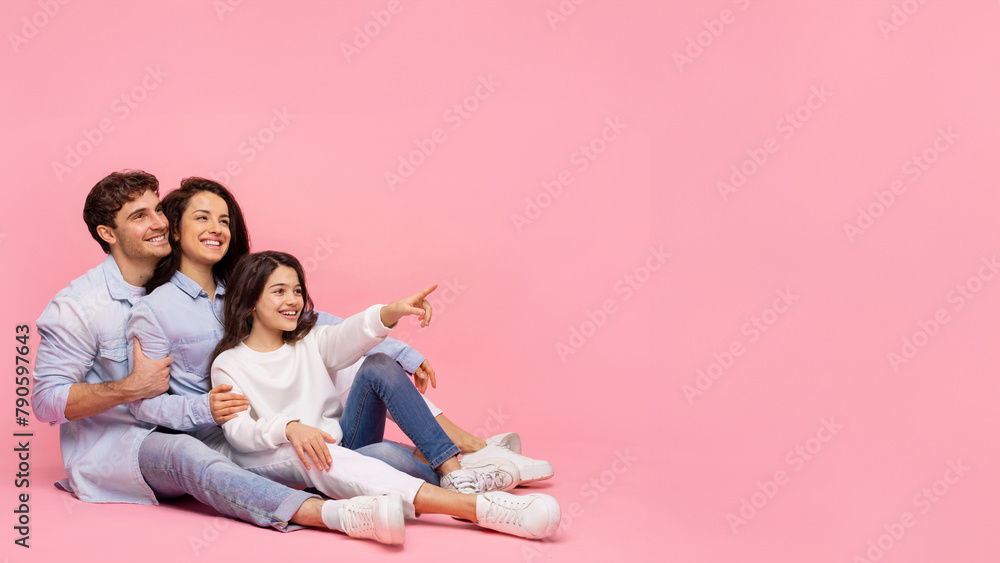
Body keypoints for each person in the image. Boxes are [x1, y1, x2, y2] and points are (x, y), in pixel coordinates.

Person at [31, 170, 421, 544]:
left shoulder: (199, 282)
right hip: (123, 445)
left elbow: (303, 321)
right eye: (139, 216)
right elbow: (46, 401)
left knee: (349, 371)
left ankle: (444, 457)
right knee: (187, 453)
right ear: (107, 233)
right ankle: (331, 514)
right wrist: (130, 388)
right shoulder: (79, 307)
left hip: (226, 428)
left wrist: (397, 348)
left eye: (158, 210)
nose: (159, 222)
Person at [126, 177, 552, 490]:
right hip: (246, 436)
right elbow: (144, 404)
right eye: (202, 218)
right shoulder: (156, 311)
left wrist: (398, 339)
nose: (217, 228)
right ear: (175, 230)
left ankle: (462, 453)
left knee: (363, 361)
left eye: (224, 220)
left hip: (311, 420)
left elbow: (318, 324)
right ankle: (455, 460)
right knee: (379, 447)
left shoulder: (243, 283)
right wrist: (206, 408)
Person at [211, 250, 561, 542]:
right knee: (384, 455)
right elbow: (239, 432)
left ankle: (455, 472)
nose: (292, 300)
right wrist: (288, 428)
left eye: (297, 291)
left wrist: (392, 310)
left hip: (347, 443)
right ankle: (472, 480)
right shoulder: (230, 364)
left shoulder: (310, 341)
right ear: (250, 301)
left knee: (378, 364)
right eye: (279, 291)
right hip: (317, 468)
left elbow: (350, 334)